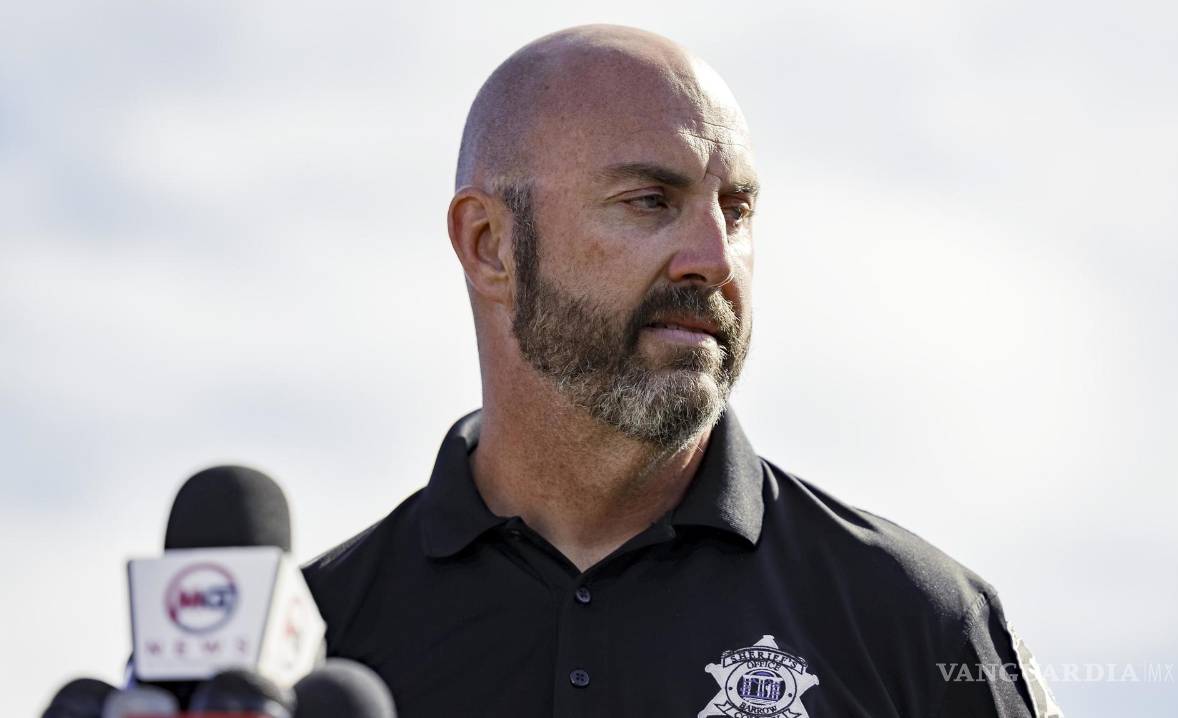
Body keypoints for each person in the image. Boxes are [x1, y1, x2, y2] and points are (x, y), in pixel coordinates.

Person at [303, 24, 1063, 718]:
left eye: (736, 210)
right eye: (650, 201)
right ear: (489, 244)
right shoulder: (310, 648)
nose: (714, 259)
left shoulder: (921, 622)